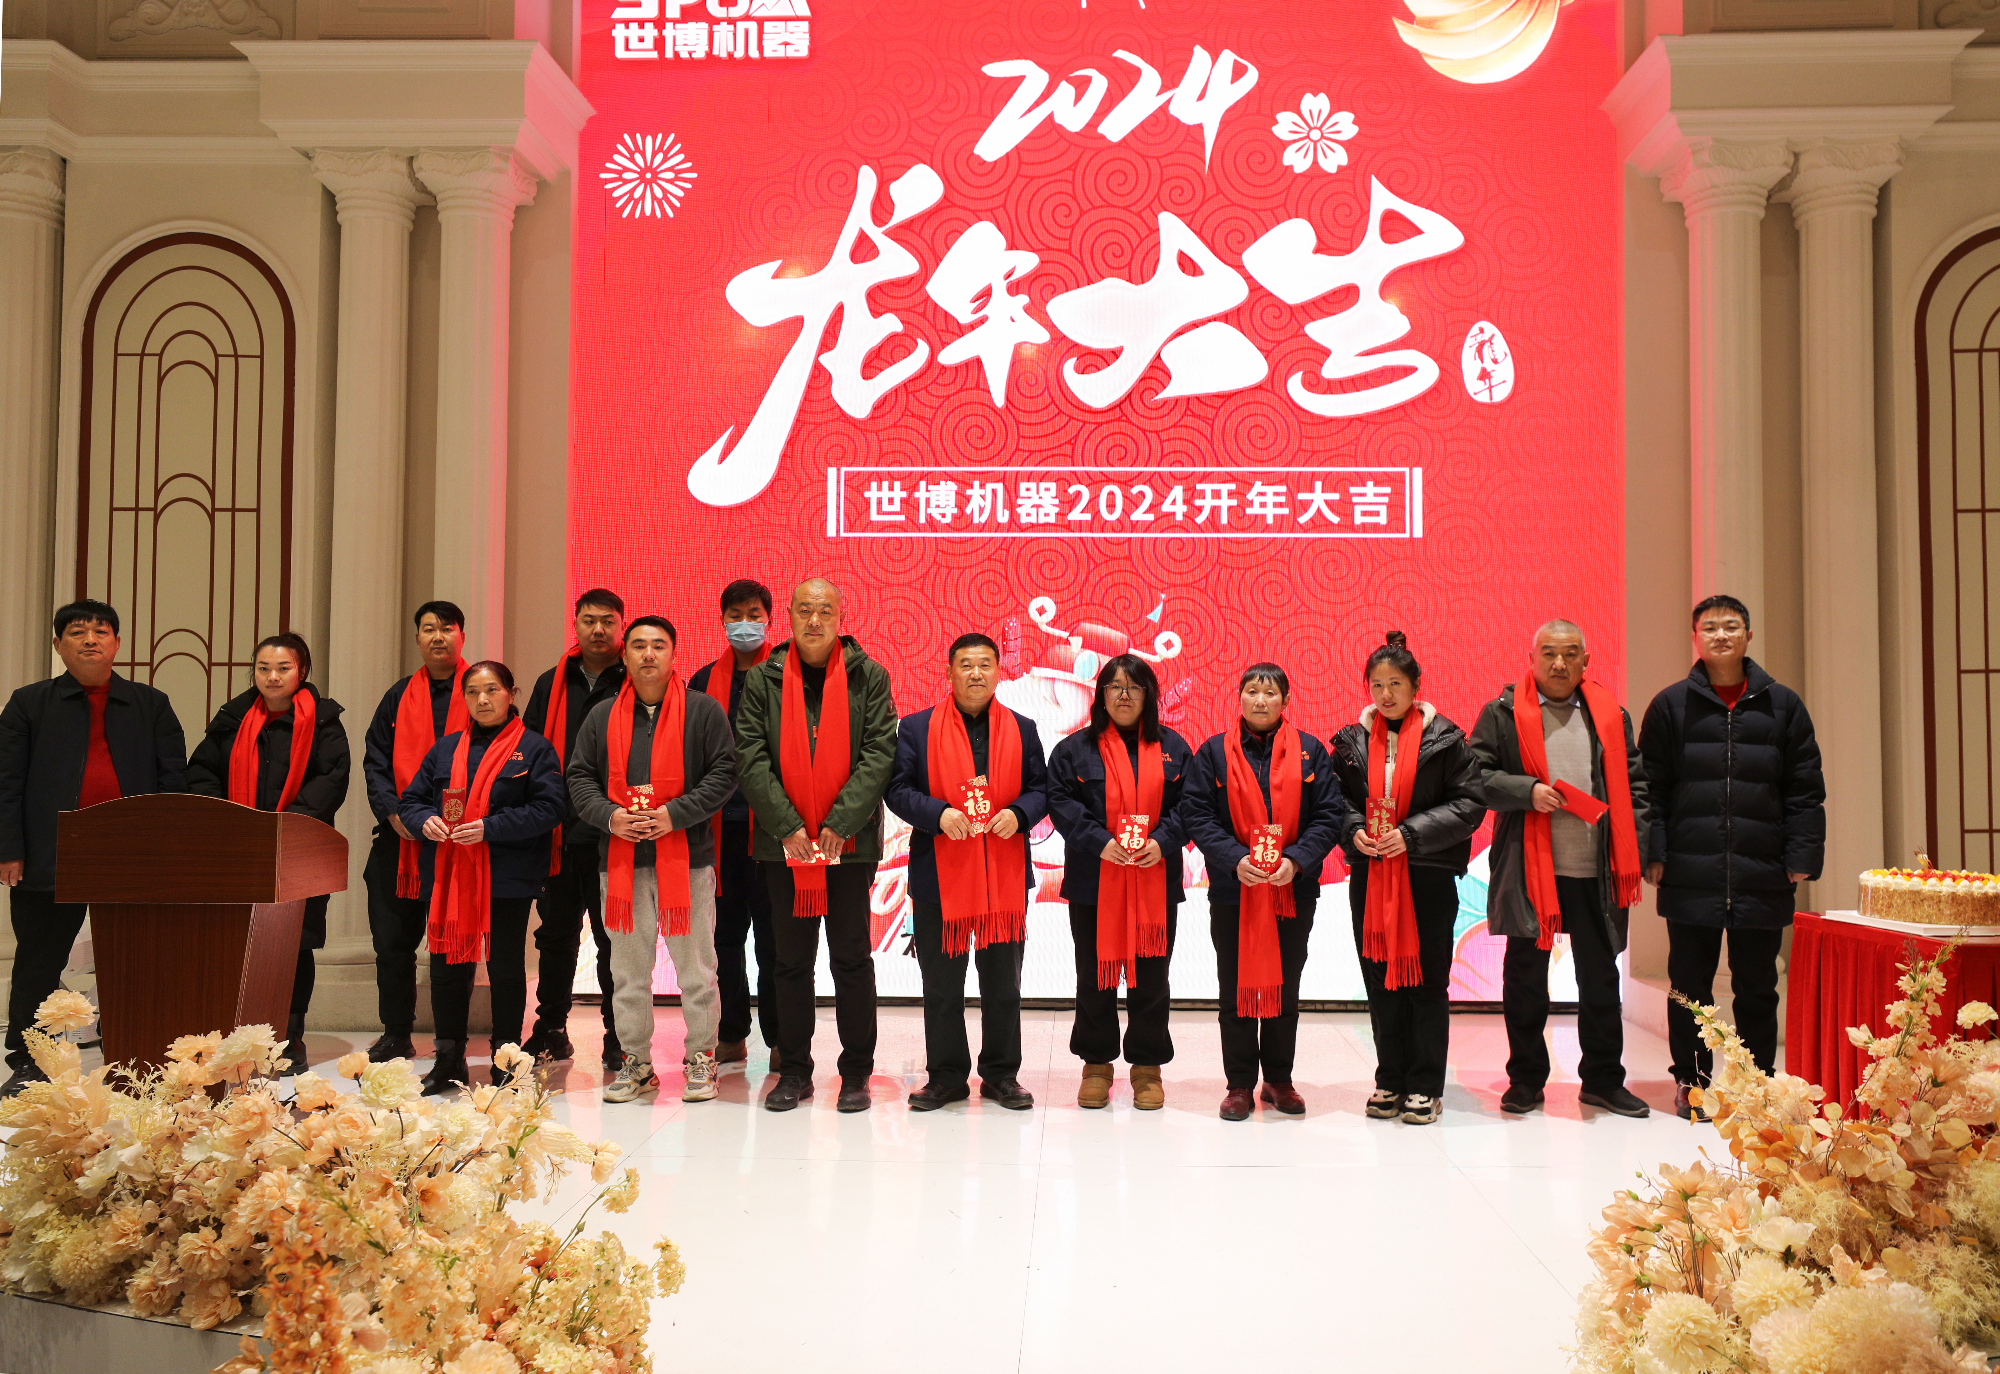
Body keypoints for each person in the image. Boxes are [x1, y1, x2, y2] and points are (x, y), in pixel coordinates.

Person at [1640, 595, 1824, 1120]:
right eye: (1710, 628)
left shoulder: (1782, 705)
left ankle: (1758, 1085)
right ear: (1695, 638)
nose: (1721, 635)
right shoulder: (1670, 706)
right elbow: (1649, 788)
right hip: (1689, 868)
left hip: (1762, 867)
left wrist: (1801, 853)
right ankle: (1692, 1083)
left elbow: (1804, 788)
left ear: (1748, 636)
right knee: (1689, 988)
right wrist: (1654, 851)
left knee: (1757, 987)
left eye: (1731, 626)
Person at [0, 601, 185, 1097]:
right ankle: (29, 1061)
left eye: (101, 631)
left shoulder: (150, 704)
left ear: (117, 644)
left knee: (136, 959)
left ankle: (139, 1056)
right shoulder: (28, 703)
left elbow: (173, 782)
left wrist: (170, 853)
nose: (90, 640)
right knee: (39, 961)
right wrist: (8, 848)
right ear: (57, 645)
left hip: (132, 851)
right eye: (77, 632)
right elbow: (6, 781)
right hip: (51, 848)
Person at [1470, 620, 1652, 1119]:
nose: (1558, 663)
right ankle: (1525, 1080)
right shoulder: (1502, 712)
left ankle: (1603, 1081)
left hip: (1596, 871)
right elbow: (1474, 776)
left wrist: (1636, 851)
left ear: (1585, 662)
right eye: (1548, 653)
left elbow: (1636, 786)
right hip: (1530, 869)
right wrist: (1525, 791)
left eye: (1570, 654)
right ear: (1531, 658)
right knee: (1525, 980)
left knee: (1599, 980)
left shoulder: (1610, 715)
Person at [734, 578, 898, 1114]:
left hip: (850, 845)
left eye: (824, 610)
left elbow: (879, 752)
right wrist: (787, 826)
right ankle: (794, 1071)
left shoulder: (869, 676)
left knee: (851, 960)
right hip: (785, 847)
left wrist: (841, 822)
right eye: (804, 609)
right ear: (789, 616)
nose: (814, 620)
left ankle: (856, 1073)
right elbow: (749, 754)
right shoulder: (763, 678)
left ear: (840, 617)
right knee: (789, 962)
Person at [567, 617, 737, 1104]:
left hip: (687, 860)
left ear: (673, 654)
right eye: (638, 645)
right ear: (624, 655)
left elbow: (725, 772)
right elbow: (579, 777)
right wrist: (611, 817)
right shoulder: (601, 716)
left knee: (697, 971)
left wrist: (673, 815)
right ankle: (636, 1063)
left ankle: (702, 1058)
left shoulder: (702, 711)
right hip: (622, 862)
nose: (647, 654)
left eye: (658, 646)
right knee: (627, 974)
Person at [885, 633, 1049, 1112]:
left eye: (984, 664)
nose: (975, 673)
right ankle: (946, 1077)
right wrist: (938, 814)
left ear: (998, 672)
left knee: (1003, 984)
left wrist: (1019, 813)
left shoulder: (1023, 728)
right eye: (965, 664)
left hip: (1003, 874)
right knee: (941, 985)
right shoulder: (916, 728)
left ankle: (1001, 1075)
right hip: (940, 873)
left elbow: (1042, 789)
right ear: (949, 672)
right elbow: (897, 789)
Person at [1331, 632, 1485, 1126]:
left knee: (1426, 982)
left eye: (1396, 683)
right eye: (1377, 685)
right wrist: (1354, 831)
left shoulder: (1447, 739)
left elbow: (1469, 804)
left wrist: (1411, 835)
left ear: (1416, 686)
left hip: (1426, 877)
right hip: (1372, 874)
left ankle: (1425, 1086)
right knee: (1380, 981)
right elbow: (1336, 803)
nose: (1386, 694)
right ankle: (1389, 1081)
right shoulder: (1350, 743)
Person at [1182, 663, 1343, 1121]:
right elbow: (1197, 814)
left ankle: (1278, 1080)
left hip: (1292, 890)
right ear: (1239, 698)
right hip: (1234, 889)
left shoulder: (1311, 751)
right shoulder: (1213, 753)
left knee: (1284, 988)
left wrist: (1296, 860)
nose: (1260, 700)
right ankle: (1238, 1085)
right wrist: (1235, 858)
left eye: (1270, 693)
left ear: (1286, 701)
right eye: (1251, 691)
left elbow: (1329, 814)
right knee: (1234, 990)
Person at [185, 633, 351, 1075]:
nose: (272, 676)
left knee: (295, 944)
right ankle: (239, 1033)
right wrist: (232, 821)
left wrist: (283, 827)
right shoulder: (232, 719)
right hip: (236, 848)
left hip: (300, 850)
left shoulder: (325, 722)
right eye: (263, 668)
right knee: (236, 942)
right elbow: (201, 772)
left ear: (302, 671)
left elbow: (331, 779)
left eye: (283, 668)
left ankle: (290, 1036)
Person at [399, 661, 566, 1094]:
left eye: (492, 690)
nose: (482, 699)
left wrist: (490, 828)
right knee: (447, 968)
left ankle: (506, 1061)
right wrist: (424, 821)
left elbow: (550, 808)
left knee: (506, 968)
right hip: (450, 877)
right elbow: (412, 800)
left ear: (512, 693)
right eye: (473, 692)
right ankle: (448, 1058)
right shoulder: (445, 749)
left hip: (506, 875)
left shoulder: (534, 748)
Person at [1047, 656, 1194, 1112]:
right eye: (1114, 686)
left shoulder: (1174, 748)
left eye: (1134, 687)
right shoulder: (1074, 750)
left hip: (1154, 881)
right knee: (1095, 976)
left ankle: (1147, 1068)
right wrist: (1101, 843)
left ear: (1149, 695)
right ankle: (1096, 1065)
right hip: (1094, 882)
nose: (1124, 695)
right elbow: (1061, 802)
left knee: (1151, 979)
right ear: (1101, 695)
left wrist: (1162, 842)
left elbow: (1191, 805)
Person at [521, 588, 629, 1070]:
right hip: (559, 834)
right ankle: (551, 1027)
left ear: (621, 626)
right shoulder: (552, 682)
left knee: (614, 940)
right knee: (556, 937)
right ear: (576, 625)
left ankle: (618, 1033)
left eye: (608, 621)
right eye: (589, 620)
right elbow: (529, 748)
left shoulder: (634, 678)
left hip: (614, 833)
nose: (598, 630)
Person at [360, 602, 470, 1062]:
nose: (438, 636)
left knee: (453, 946)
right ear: (418, 638)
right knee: (392, 944)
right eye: (428, 629)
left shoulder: (481, 689)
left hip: (461, 843)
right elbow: (376, 759)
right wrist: (393, 814)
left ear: (461, 635)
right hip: (401, 840)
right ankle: (396, 1032)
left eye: (447, 628)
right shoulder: (399, 695)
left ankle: (452, 1041)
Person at [687, 578, 779, 1069]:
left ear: (769, 619)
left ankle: (781, 1039)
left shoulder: (787, 674)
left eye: (754, 615)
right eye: (735, 616)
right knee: (722, 941)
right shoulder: (702, 681)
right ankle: (731, 1033)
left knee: (775, 940)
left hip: (774, 830)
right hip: (717, 830)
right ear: (722, 621)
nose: (745, 624)